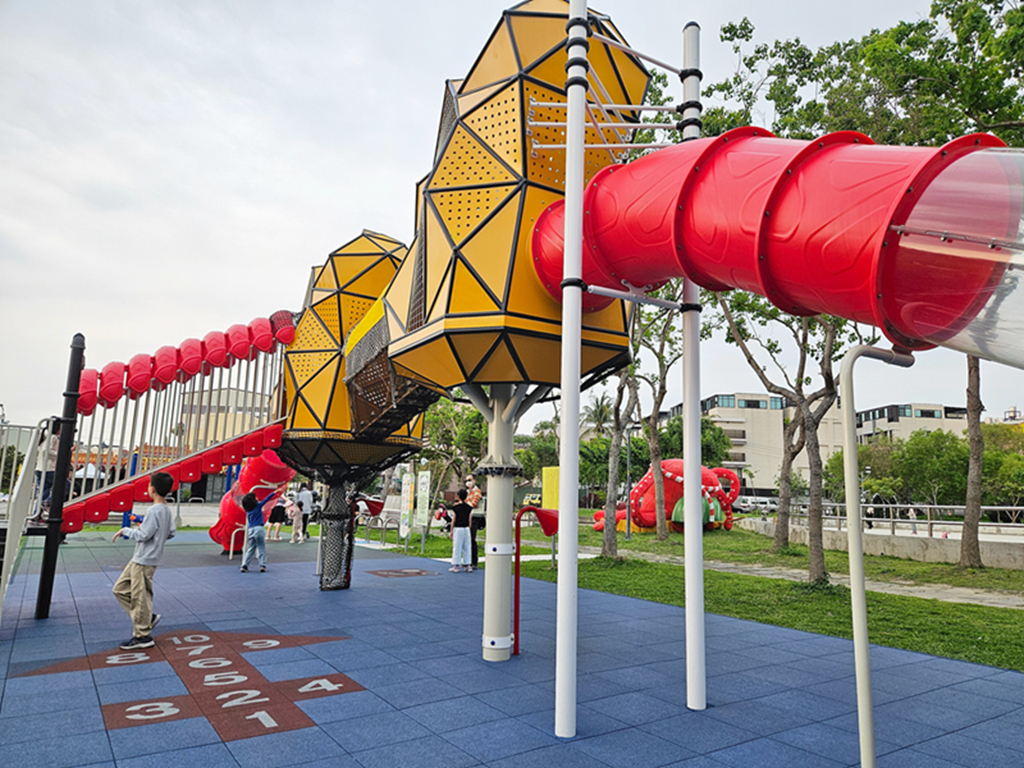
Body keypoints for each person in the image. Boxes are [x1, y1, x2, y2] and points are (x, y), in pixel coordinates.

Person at [111, 471, 176, 650]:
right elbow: (171, 532)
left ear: (152, 489)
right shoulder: (166, 510)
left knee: (140, 596)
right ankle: (147, 618)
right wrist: (157, 538)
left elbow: (143, 535)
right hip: (142, 558)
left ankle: (142, 636)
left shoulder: (153, 511)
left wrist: (126, 530)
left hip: (144, 559)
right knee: (120, 589)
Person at [239, 492, 270, 573]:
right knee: (261, 547)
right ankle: (262, 564)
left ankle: (245, 564)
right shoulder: (258, 506)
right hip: (259, 528)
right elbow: (267, 499)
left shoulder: (248, 511)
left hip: (251, 530)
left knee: (251, 548)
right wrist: (275, 492)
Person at [449, 488, 473, 573]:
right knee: (467, 546)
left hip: (458, 528)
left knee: (457, 546)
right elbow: (470, 519)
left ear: (458, 497)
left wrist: (451, 531)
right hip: (466, 528)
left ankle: (456, 565)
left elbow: (453, 520)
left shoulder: (456, 508)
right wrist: (469, 528)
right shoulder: (469, 508)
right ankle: (468, 565)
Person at [465, 475, 484, 569]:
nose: (468, 482)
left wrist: (469, 503)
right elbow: (467, 503)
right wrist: (469, 503)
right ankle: (467, 560)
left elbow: (473, 503)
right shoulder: (468, 492)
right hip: (468, 516)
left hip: (475, 518)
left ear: (474, 481)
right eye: (467, 480)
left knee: (472, 538)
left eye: (470, 480)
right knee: (467, 539)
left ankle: (474, 561)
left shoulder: (477, 491)